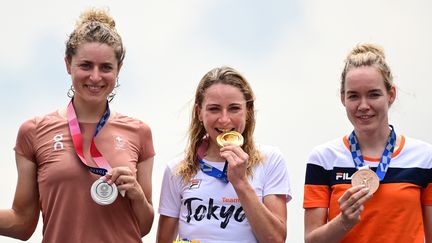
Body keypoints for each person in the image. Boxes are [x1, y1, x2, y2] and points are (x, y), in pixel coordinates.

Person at [0, 8, 155, 243]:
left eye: (105, 67)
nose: (95, 77)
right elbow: (22, 223)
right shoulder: (33, 131)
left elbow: (143, 226)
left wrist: (137, 196)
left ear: (119, 70)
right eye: (85, 65)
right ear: (67, 64)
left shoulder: (139, 132)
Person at [303, 43, 432, 243]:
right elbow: (312, 240)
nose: (363, 106)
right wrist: (344, 221)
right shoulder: (323, 158)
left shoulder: (424, 157)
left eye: (373, 94)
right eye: (354, 96)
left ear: (391, 95)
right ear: (343, 98)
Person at [156, 66, 292, 243]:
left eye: (234, 108)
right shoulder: (176, 170)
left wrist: (241, 183)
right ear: (199, 113)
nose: (224, 119)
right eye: (214, 109)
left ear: (248, 111)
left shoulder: (270, 160)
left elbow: (275, 239)